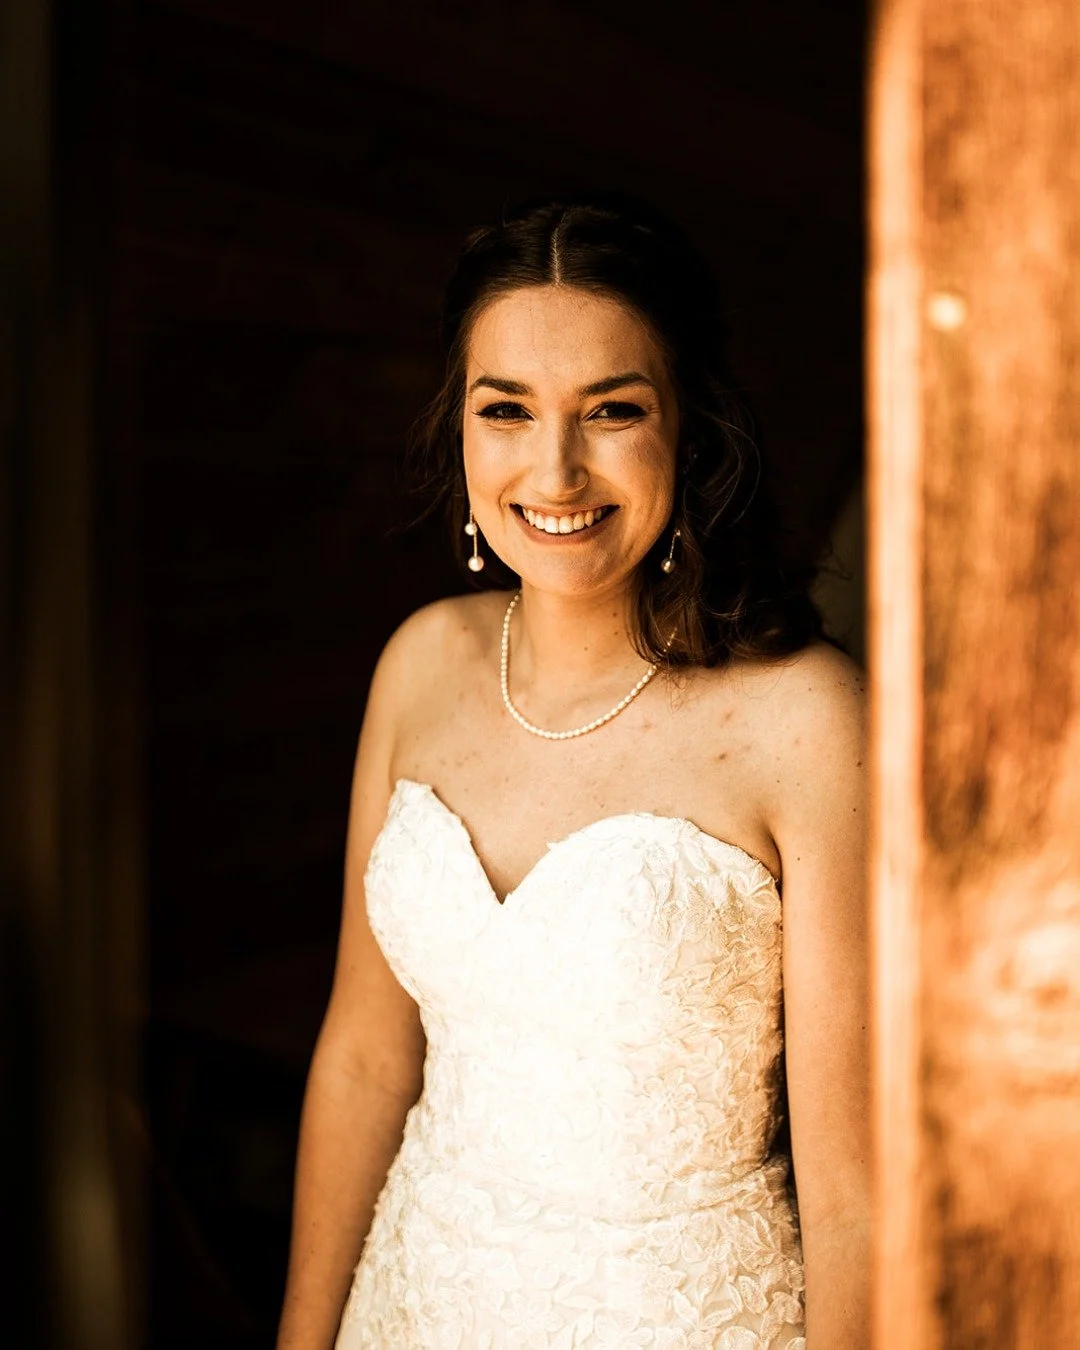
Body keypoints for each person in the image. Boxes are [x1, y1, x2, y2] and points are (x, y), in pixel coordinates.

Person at [276, 192, 870, 1349]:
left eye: (612, 411)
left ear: (689, 429)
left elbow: (859, 1192)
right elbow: (361, 1056)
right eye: (507, 409)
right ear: (462, 424)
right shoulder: (422, 665)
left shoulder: (804, 720)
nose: (554, 471)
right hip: (407, 1305)